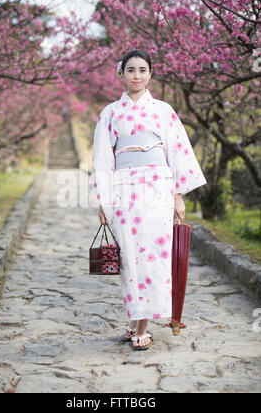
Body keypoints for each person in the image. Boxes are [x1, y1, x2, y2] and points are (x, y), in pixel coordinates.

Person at [91, 49, 207, 350]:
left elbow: (176, 152)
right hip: (124, 189)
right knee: (129, 258)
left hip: (158, 188)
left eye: (143, 70)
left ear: (150, 74)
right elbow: (103, 159)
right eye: (131, 70)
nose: (137, 76)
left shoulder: (163, 111)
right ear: (121, 74)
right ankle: (134, 318)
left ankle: (143, 324)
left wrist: (178, 195)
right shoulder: (110, 113)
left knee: (154, 257)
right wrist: (103, 200)